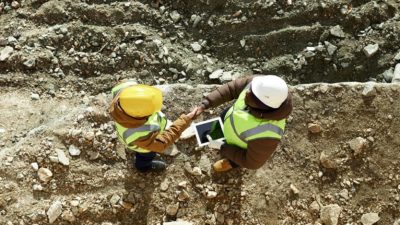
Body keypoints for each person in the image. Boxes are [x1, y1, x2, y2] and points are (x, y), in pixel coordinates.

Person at [197, 75, 293, 172]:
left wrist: (222, 147)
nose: (247, 92)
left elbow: (252, 162)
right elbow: (232, 88)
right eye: (251, 89)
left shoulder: (267, 134)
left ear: (261, 106)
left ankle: (232, 163)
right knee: (213, 129)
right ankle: (205, 133)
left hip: (238, 146)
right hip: (230, 119)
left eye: (252, 94)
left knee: (237, 158)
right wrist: (206, 103)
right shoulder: (259, 84)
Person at [109, 80, 199, 172]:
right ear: (139, 116)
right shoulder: (140, 132)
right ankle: (143, 167)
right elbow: (161, 144)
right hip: (144, 147)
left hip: (128, 137)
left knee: (136, 144)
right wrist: (185, 120)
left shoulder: (123, 95)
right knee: (146, 156)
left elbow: (124, 84)